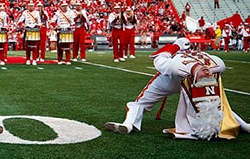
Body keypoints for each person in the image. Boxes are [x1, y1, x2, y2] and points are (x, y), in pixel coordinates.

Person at [105, 38, 250, 140]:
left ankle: (129, 124)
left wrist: (175, 46)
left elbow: (159, 60)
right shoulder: (211, 61)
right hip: (192, 80)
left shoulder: (177, 64)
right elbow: (220, 66)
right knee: (213, 104)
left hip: (171, 80)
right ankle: (243, 125)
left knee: (139, 104)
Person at [15, 0, 42, 65]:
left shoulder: (37, 13)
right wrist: (22, 24)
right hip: (27, 29)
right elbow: (20, 21)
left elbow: (39, 22)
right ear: (27, 6)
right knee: (28, 45)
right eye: (29, 6)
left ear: (34, 6)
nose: (31, 7)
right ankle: (28, 59)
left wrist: (38, 24)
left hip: (35, 29)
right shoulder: (25, 12)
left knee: (35, 45)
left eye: (32, 6)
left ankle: (34, 59)